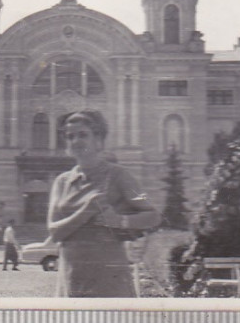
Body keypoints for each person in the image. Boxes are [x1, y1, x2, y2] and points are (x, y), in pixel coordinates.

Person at [47, 110, 161, 297]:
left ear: (98, 139)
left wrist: (119, 221)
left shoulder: (119, 176)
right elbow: (54, 231)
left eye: (83, 135)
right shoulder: (62, 182)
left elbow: (153, 216)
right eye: (70, 136)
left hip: (109, 280)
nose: (75, 141)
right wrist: (86, 210)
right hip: (71, 279)